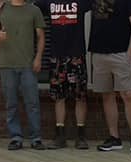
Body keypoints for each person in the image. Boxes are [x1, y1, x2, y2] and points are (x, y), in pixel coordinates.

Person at [87, 0, 131, 154]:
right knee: (107, 95)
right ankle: (114, 138)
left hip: (121, 53)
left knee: (129, 94)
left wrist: (130, 53)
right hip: (99, 52)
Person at [0, 0, 47, 150]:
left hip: (28, 64)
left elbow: (41, 36)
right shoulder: (1, 9)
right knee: (11, 103)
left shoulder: (33, 10)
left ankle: (36, 138)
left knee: (32, 102)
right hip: (7, 64)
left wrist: (38, 58)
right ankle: (16, 137)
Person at [36, 0, 89, 149]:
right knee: (58, 97)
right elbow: (25, 5)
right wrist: (3, 3)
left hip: (76, 55)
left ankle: (81, 136)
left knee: (80, 96)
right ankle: (60, 136)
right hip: (56, 56)